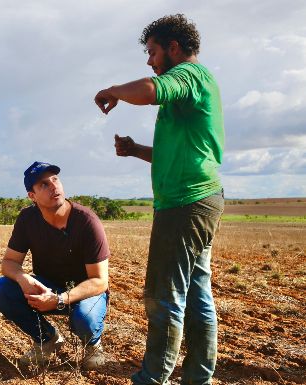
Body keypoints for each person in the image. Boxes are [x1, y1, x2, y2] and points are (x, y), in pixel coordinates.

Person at [94, 14, 225, 385]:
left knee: (163, 296)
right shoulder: (197, 86)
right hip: (198, 199)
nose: (149, 60)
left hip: (185, 204)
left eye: (152, 52)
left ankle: (152, 379)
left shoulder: (188, 76)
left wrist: (113, 90)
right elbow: (180, 151)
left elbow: (151, 90)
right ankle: (198, 377)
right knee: (196, 291)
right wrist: (136, 150)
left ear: (173, 48)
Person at [0, 161, 110, 370]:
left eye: (55, 179)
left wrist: (60, 300)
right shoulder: (27, 219)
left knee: (85, 319)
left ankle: (92, 346)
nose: (54, 186)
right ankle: (47, 339)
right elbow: (9, 262)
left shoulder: (86, 221)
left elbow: (100, 281)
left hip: (86, 292)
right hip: (48, 286)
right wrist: (23, 278)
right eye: (43, 184)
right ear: (32, 196)